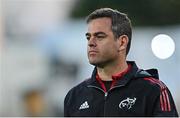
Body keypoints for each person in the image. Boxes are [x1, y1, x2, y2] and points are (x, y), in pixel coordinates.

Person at [64, 8, 179, 117]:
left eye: (99, 36)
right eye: (88, 37)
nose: (91, 43)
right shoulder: (74, 96)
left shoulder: (154, 90)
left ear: (122, 42)